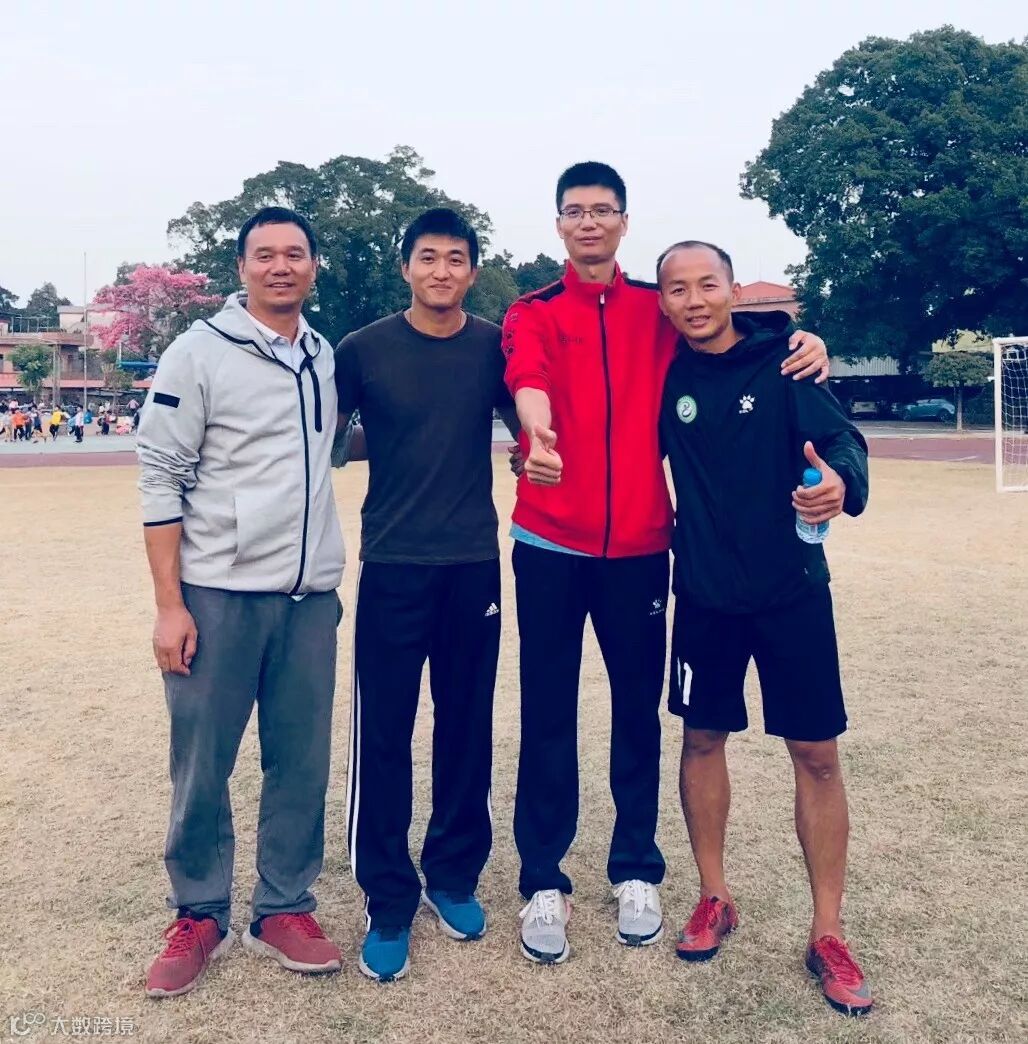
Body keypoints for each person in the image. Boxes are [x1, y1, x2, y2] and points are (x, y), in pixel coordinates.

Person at [502, 162, 830, 964]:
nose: (588, 222)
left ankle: (636, 870)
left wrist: (803, 338)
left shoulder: (658, 308)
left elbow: (730, 332)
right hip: (549, 541)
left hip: (644, 548)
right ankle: (543, 879)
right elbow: (526, 378)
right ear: (558, 224)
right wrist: (536, 433)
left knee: (637, 712)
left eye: (602, 210)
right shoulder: (531, 310)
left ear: (623, 221)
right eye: (574, 211)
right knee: (547, 708)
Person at [655, 241, 872, 1015]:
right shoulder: (663, 374)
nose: (693, 300)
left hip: (791, 594)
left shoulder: (787, 363)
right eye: (676, 289)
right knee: (700, 740)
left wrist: (841, 483)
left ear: (732, 290)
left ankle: (828, 933)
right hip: (705, 595)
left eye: (706, 284)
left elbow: (843, 442)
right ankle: (715, 896)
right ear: (663, 302)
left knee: (816, 756)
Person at [138, 206, 345, 998]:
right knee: (203, 762)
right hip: (218, 594)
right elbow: (161, 476)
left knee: (301, 761)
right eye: (265, 255)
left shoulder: (322, 355)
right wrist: (170, 605)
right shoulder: (197, 352)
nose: (280, 266)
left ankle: (283, 906)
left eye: (295, 253)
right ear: (242, 267)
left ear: (313, 267)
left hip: (308, 598)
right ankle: (199, 911)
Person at [335, 208, 520, 982]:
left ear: (472, 270)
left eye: (455, 259)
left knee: (466, 725)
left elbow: (531, 424)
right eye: (427, 257)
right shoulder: (362, 349)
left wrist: (536, 452)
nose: (441, 270)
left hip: (472, 563)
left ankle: (452, 874)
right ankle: (387, 898)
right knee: (384, 733)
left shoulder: (495, 346)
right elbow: (325, 438)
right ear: (405, 267)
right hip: (392, 564)